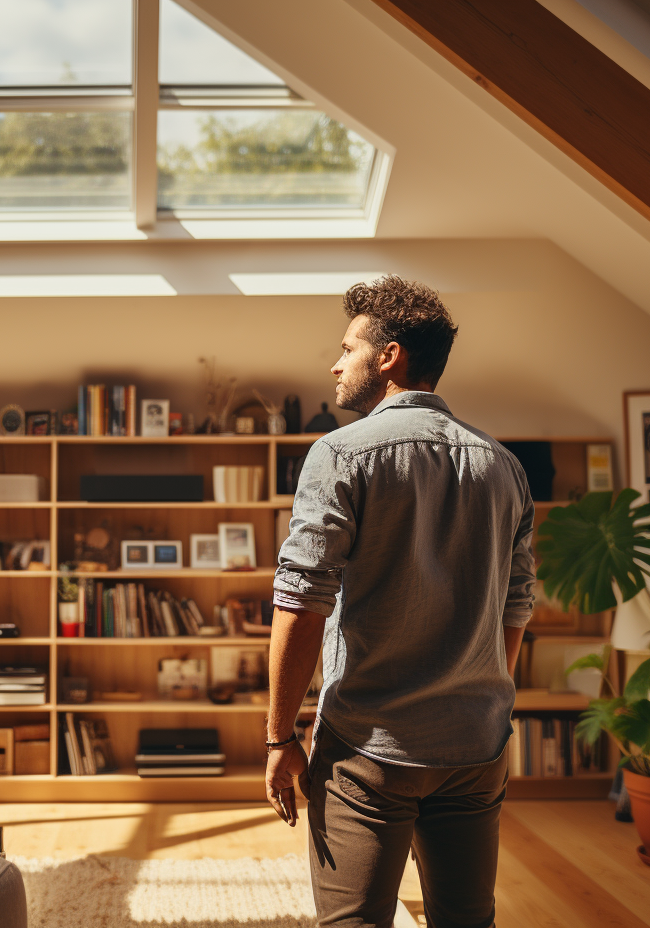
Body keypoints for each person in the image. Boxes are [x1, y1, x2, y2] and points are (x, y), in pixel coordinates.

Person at [265, 276, 535, 928]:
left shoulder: (338, 454)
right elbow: (515, 606)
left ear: (389, 357)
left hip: (368, 751)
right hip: (476, 747)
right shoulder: (504, 466)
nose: (334, 363)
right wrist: (475, 692)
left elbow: (302, 602)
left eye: (347, 347)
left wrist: (280, 736)